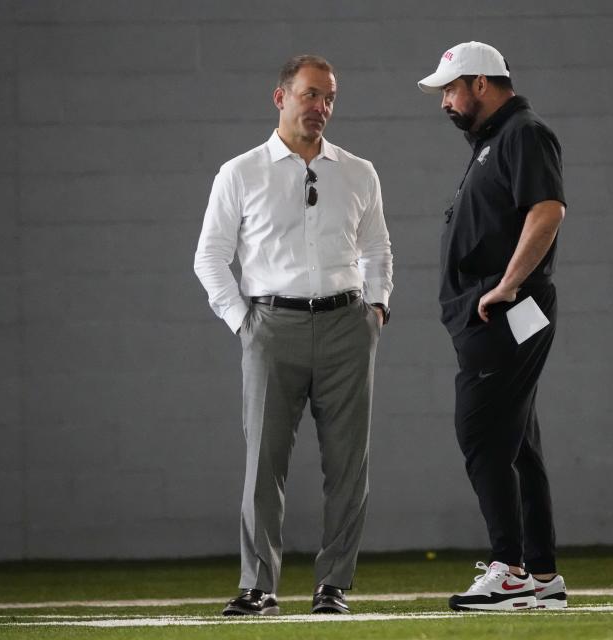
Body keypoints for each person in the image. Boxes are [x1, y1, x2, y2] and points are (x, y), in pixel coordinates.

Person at [194, 54, 393, 616]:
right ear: (279, 97)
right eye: (310, 95)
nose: (320, 108)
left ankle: (333, 587)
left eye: (329, 98)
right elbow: (210, 257)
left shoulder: (359, 171)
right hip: (269, 326)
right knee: (263, 462)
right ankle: (258, 586)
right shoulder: (241, 172)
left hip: (347, 325)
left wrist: (375, 309)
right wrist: (244, 323)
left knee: (349, 464)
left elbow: (377, 249)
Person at [417, 42, 568, 612]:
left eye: (450, 90)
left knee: (481, 434)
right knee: (516, 442)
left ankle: (509, 570)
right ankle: (542, 573)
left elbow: (547, 209)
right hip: (495, 313)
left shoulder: (522, 133)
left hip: (505, 311)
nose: (444, 102)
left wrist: (506, 285)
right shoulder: (493, 142)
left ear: (481, 83)